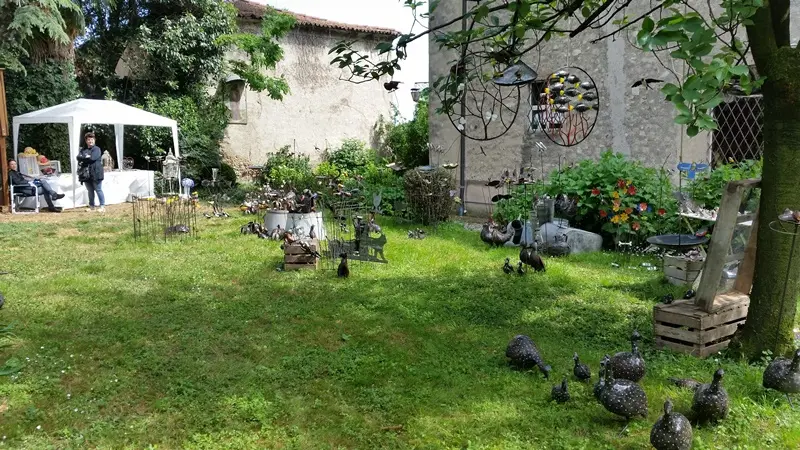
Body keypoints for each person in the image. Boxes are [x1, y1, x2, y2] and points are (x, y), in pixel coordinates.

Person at [77, 132, 105, 212]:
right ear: (86, 141)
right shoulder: (83, 149)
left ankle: (102, 206)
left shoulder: (97, 149)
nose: (90, 141)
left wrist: (84, 157)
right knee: (90, 190)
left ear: (94, 140)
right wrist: (86, 157)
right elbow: (78, 157)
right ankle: (92, 206)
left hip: (96, 173)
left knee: (98, 189)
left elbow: (92, 158)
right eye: (88, 140)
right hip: (86, 174)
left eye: (92, 139)